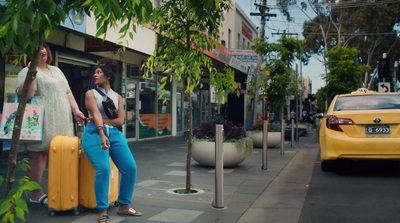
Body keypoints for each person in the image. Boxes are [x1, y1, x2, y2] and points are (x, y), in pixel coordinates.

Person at [16, 45, 86, 204]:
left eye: (44, 48)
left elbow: (67, 92)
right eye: (37, 49)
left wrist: (76, 110)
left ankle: (61, 190)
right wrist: (31, 72)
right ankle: (36, 194)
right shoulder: (26, 71)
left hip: (62, 119)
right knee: (38, 155)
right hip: (42, 120)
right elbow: (26, 95)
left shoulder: (57, 70)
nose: (42, 51)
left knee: (62, 153)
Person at [82, 58, 141, 223]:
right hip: (94, 134)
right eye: (95, 72)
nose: (95, 75)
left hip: (114, 134)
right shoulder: (90, 94)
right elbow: (96, 114)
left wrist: (101, 121)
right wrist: (101, 132)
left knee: (130, 168)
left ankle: (123, 206)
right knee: (104, 169)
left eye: (99, 72)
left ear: (107, 76)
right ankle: (102, 211)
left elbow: (120, 121)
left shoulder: (118, 97)